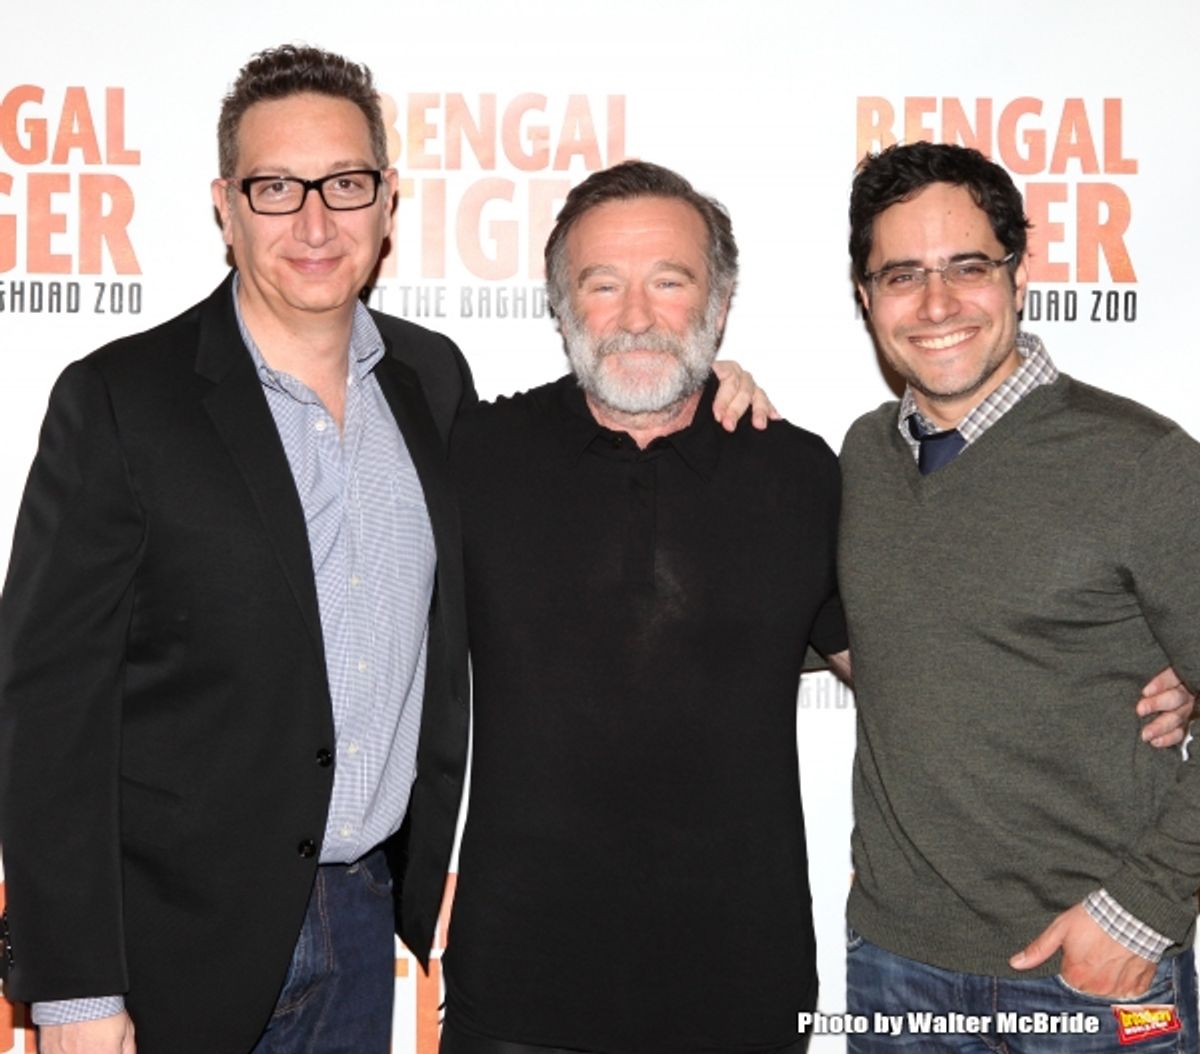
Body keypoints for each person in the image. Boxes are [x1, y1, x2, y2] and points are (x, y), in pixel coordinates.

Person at [0, 47, 765, 1054]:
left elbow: (579, 447)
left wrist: (703, 387)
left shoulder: (432, 380)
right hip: (171, 946)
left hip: (364, 925)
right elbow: (48, 712)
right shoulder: (119, 400)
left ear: (387, 199)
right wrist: (74, 992)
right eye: (277, 188)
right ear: (226, 206)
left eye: (345, 184)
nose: (315, 222)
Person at [440, 160, 850, 1054]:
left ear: (720, 302)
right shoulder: (474, 460)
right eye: (602, 285)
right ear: (560, 309)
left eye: (669, 282)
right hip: (516, 1000)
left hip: (744, 999)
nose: (635, 317)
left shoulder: (800, 476)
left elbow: (912, 675)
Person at [838, 141, 1200, 1051]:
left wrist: (1144, 909)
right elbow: (796, 618)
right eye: (902, 275)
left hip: (1099, 985)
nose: (937, 305)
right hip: (893, 974)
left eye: (968, 267)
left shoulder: (1143, 463)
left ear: (1019, 274)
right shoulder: (859, 459)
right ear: (865, 297)